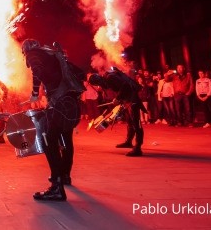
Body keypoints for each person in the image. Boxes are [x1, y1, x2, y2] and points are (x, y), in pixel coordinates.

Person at [21, 40, 85, 202]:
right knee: (66, 140)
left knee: (49, 141)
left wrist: (35, 92)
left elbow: (37, 71)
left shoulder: (34, 54)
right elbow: (80, 74)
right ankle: (64, 175)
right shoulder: (53, 53)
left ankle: (57, 187)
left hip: (61, 104)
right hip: (71, 103)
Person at [89, 67, 146, 157]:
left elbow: (126, 86)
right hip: (127, 99)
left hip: (133, 98)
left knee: (136, 123)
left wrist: (118, 98)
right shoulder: (108, 77)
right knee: (130, 121)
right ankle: (128, 141)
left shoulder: (110, 78)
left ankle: (138, 148)